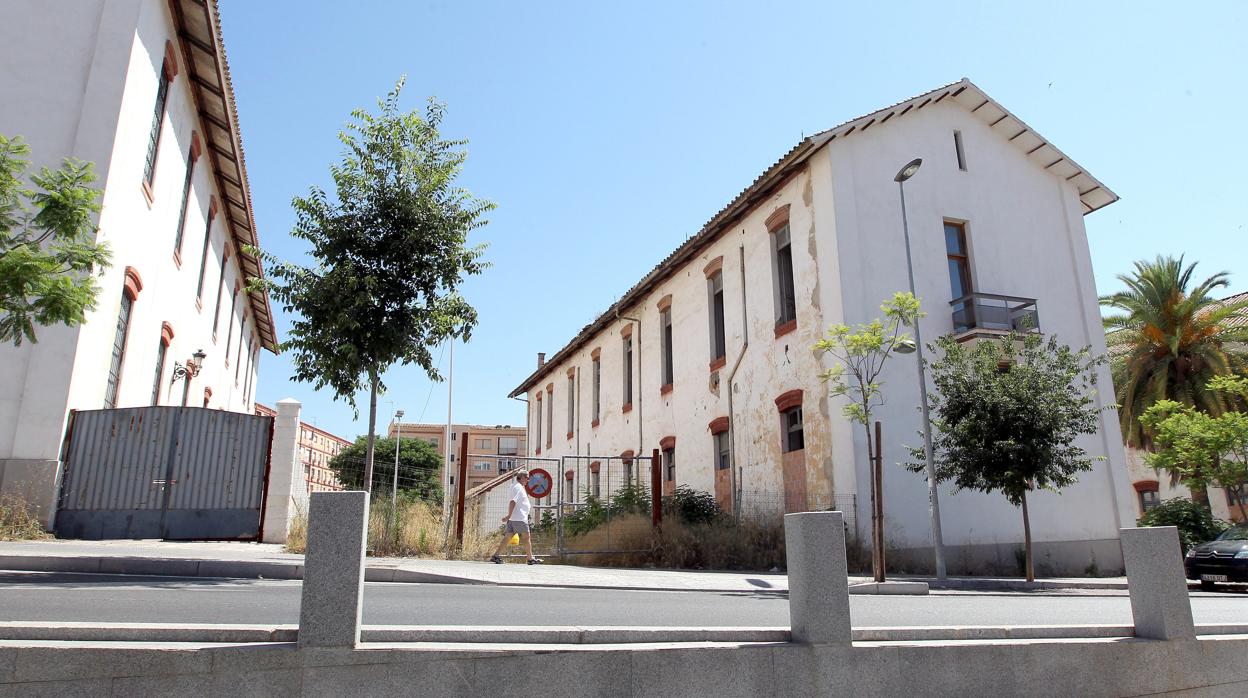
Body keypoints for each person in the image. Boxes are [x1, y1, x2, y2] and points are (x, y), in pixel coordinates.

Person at [490, 469, 542, 565]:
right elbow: (513, 501)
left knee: (507, 537)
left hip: (514, 518)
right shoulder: (518, 487)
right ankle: (530, 559)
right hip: (519, 518)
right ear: (521, 477)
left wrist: (510, 516)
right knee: (526, 537)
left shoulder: (514, 486)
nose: (528, 480)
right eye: (527, 478)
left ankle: (496, 556)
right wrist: (508, 515)